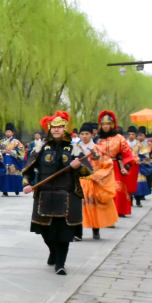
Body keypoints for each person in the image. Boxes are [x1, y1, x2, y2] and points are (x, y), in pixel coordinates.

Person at [22, 111, 93, 267]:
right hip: (44, 196)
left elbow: (88, 171)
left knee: (64, 233)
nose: (56, 130)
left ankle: (60, 264)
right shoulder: (40, 147)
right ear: (49, 128)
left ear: (65, 128)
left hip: (68, 196)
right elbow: (27, 169)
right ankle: (53, 252)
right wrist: (27, 184)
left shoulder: (74, 147)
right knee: (46, 232)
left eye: (60, 127)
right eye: (53, 127)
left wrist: (78, 166)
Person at [78, 125, 119, 238]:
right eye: (82, 134)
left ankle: (96, 229)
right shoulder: (74, 148)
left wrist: (97, 175)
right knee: (78, 208)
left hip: (93, 182)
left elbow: (108, 165)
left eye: (87, 134)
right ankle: (78, 232)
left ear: (92, 134)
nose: (84, 136)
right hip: (78, 182)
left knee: (94, 207)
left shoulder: (99, 149)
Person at [94, 111, 136, 217]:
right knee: (102, 189)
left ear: (112, 125)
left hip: (115, 166)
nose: (106, 126)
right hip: (101, 166)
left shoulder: (119, 138)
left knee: (116, 190)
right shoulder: (96, 139)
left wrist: (126, 167)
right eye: (103, 124)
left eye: (108, 124)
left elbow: (127, 153)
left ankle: (117, 210)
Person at [0, 124, 26, 196]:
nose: (8, 133)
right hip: (4, 160)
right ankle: (5, 190)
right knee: (5, 175)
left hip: (13, 160)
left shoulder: (16, 141)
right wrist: (3, 151)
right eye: (6, 132)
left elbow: (21, 150)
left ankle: (16, 189)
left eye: (9, 132)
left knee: (14, 175)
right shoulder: (1, 142)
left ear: (12, 133)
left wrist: (12, 152)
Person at [133, 127, 152, 207]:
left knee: (141, 184)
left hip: (144, 165)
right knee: (135, 183)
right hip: (135, 164)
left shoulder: (149, 144)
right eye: (138, 136)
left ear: (144, 136)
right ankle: (133, 199)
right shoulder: (135, 144)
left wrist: (146, 159)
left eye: (141, 135)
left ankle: (139, 199)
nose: (140, 137)